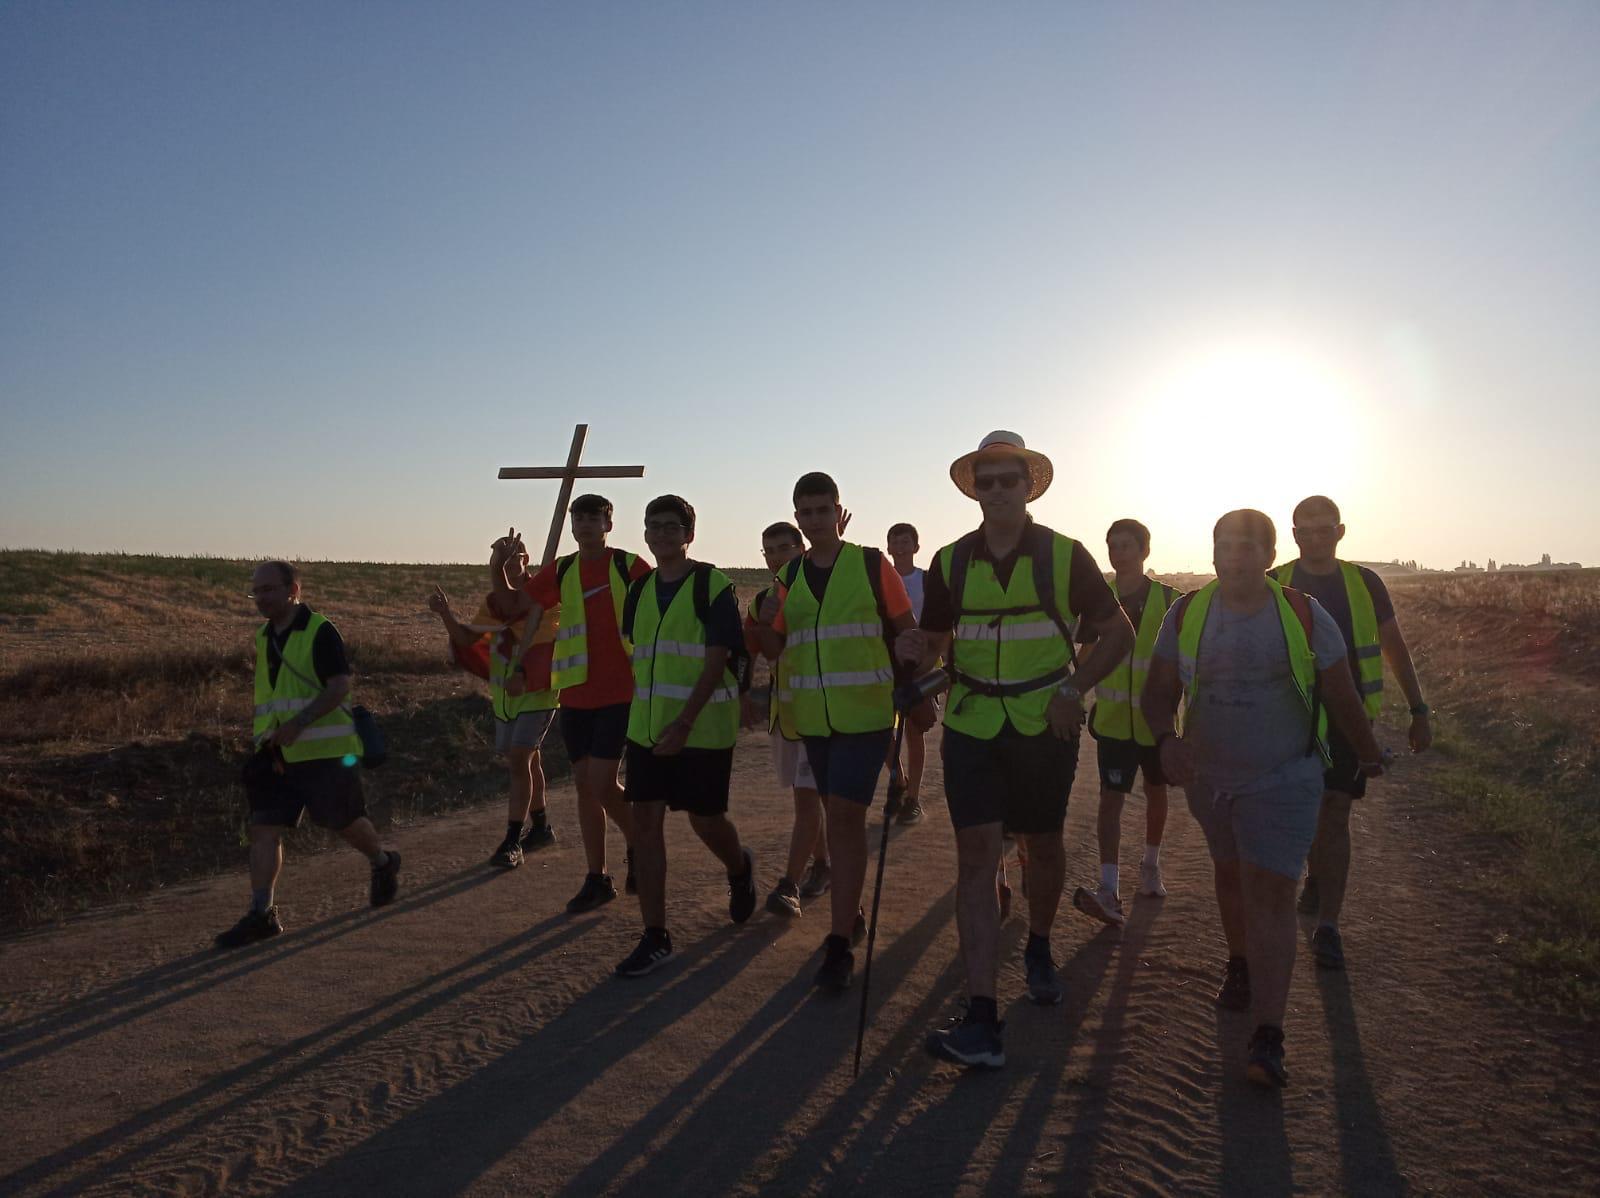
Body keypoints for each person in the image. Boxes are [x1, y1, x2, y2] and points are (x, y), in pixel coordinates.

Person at [901, 431, 1133, 1069]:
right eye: (986, 479)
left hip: (1043, 727)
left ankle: (1037, 944)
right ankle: (982, 1017)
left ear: (1029, 486)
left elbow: (1120, 633)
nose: (997, 488)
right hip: (972, 726)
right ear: (974, 488)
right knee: (977, 859)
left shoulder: (1066, 556)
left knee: (1043, 846)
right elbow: (940, 640)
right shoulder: (949, 561)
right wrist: (916, 650)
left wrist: (1076, 689)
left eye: (1009, 478)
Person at [1142, 509, 1387, 1088]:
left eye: (1247, 546)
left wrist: (1369, 752)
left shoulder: (1303, 614)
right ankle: (1240, 963)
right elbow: (1156, 693)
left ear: (1270, 556)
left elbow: (1341, 692)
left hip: (1285, 779)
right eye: (1223, 545)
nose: (1234, 556)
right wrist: (1165, 741)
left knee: (1272, 891)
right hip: (1210, 780)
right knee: (1229, 876)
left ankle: (1268, 1036)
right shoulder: (1187, 613)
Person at [754, 472, 916, 992]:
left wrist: (917, 695)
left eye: (824, 510)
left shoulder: (872, 564)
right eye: (806, 512)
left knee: (845, 820)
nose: (815, 519)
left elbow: (906, 632)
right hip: (814, 722)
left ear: (837, 511)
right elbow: (776, 649)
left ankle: (839, 945)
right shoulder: (789, 578)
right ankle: (852, 909)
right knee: (836, 818)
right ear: (798, 518)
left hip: (867, 719)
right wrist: (754, 630)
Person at [1275, 495, 1431, 970]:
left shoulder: (1365, 584)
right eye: (1307, 530)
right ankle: (1314, 874)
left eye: (1326, 530)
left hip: (1349, 718)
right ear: (1295, 534)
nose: (1317, 538)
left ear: (1340, 532)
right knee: (1304, 813)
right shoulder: (1275, 584)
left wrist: (1418, 707)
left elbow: (1393, 646)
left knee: (1336, 808)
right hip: (1289, 719)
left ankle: (1328, 927)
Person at [215, 561, 400, 947]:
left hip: (324, 752)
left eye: (268, 590)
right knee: (264, 828)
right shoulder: (264, 636)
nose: (260, 598)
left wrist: (299, 722)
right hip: (275, 753)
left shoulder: (320, 631)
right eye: (256, 591)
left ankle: (383, 861)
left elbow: (339, 687)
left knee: (345, 823)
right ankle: (262, 913)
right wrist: (269, 738)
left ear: (293, 589)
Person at [613, 496, 758, 975]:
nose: (661, 534)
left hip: (700, 731)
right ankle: (655, 934)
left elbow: (718, 658)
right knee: (646, 826)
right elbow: (639, 655)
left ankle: (739, 868)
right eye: (652, 526)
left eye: (671, 526)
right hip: (647, 731)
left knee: (706, 820)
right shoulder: (639, 590)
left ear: (689, 534)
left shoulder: (710, 584)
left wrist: (684, 722)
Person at [509, 495, 650, 913]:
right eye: (579, 517)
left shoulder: (629, 565)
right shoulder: (564, 569)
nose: (585, 524)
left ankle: (640, 843)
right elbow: (527, 606)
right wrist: (508, 565)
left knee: (603, 783)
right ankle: (597, 876)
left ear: (608, 523)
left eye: (594, 517)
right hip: (574, 693)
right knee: (586, 787)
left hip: (621, 691)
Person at [1071, 519, 1181, 927]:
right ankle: (1109, 887)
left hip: (1156, 723)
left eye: (1127, 546)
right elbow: (1085, 655)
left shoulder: (1171, 601)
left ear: (1144, 551)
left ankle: (1151, 865)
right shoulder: (1100, 601)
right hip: (1115, 723)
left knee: (1156, 793)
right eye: (1113, 546)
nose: (1119, 553)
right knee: (1110, 801)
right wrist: (1071, 694)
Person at [428, 530, 558, 870]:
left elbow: (542, 644)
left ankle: (512, 841)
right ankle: (542, 826)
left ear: (527, 560)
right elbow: (469, 638)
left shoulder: (544, 598)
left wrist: (496, 568)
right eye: (503, 555)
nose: (510, 561)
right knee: (529, 760)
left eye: (516, 555)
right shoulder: (494, 604)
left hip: (537, 693)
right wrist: (445, 614)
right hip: (505, 696)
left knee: (519, 759)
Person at [742, 521, 831, 918]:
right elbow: (751, 652)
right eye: (769, 550)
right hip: (786, 715)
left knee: (808, 800)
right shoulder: (761, 600)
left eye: (784, 548)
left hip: (825, 714)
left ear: (801, 549)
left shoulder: (821, 592)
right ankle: (825, 865)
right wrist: (745, 695)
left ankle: (789, 885)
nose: (776, 556)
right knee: (807, 797)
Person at [885, 521, 932, 826]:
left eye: (905, 542)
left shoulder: (927, 581)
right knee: (882, 729)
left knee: (915, 730)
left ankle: (913, 797)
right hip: (886, 664)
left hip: (921, 667)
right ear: (888, 548)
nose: (900, 548)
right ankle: (898, 780)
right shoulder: (880, 579)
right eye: (895, 543)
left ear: (916, 546)